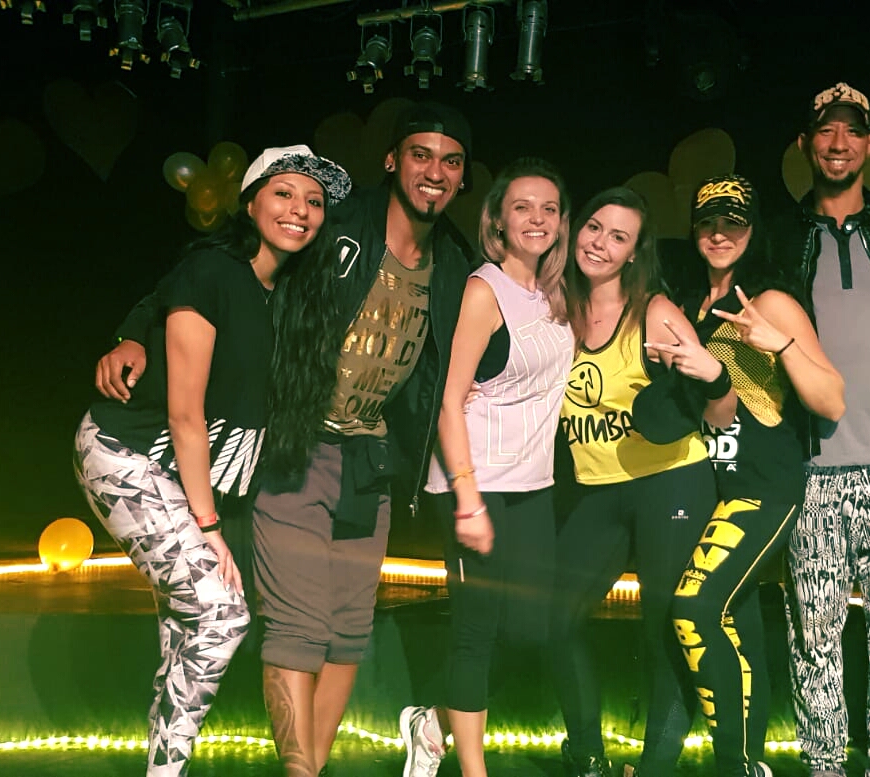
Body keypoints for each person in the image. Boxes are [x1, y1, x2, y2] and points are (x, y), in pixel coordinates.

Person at [95, 103, 475, 777]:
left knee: (349, 633)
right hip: (297, 444)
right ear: (392, 160)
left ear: (463, 177)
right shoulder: (337, 221)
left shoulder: (453, 261)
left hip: (373, 458)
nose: (434, 172)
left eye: (451, 161)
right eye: (421, 154)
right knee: (297, 628)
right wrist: (135, 328)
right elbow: (209, 272)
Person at [75, 145, 351, 777]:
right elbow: (185, 415)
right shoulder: (214, 272)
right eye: (283, 194)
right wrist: (208, 525)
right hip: (130, 457)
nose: (300, 210)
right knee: (221, 615)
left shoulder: (290, 293)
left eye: (313, 202)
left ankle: (164, 767)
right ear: (249, 203)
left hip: (190, 477)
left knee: (189, 626)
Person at [652, 174, 845, 777]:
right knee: (732, 619)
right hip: (705, 485)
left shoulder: (770, 301)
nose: (718, 234)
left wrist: (777, 342)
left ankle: (734, 765)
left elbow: (833, 399)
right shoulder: (688, 303)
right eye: (708, 222)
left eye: (732, 223)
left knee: (695, 607)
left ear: (753, 229)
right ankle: (749, 762)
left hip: (762, 487)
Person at [397, 158, 575, 777]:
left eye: (549, 209)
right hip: (475, 484)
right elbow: (451, 401)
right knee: (476, 629)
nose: (537, 219)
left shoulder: (554, 293)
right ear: (497, 220)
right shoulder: (485, 290)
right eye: (522, 207)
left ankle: (432, 721)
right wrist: (468, 500)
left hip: (532, 485)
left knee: (529, 631)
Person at [776, 83, 870, 777]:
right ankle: (825, 766)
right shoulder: (781, 236)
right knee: (814, 640)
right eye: (824, 130)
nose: (838, 143)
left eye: (851, 131)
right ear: (805, 143)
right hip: (812, 475)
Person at [551, 187, 724, 777]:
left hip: (671, 483)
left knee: (663, 629)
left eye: (618, 237)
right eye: (594, 227)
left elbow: (719, 407)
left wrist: (704, 376)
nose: (600, 243)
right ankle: (587, 758)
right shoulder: (555, 309)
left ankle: (655, 768)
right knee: (555, 617)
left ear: (633, 253)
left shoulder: (654, 311)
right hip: (597, 487)